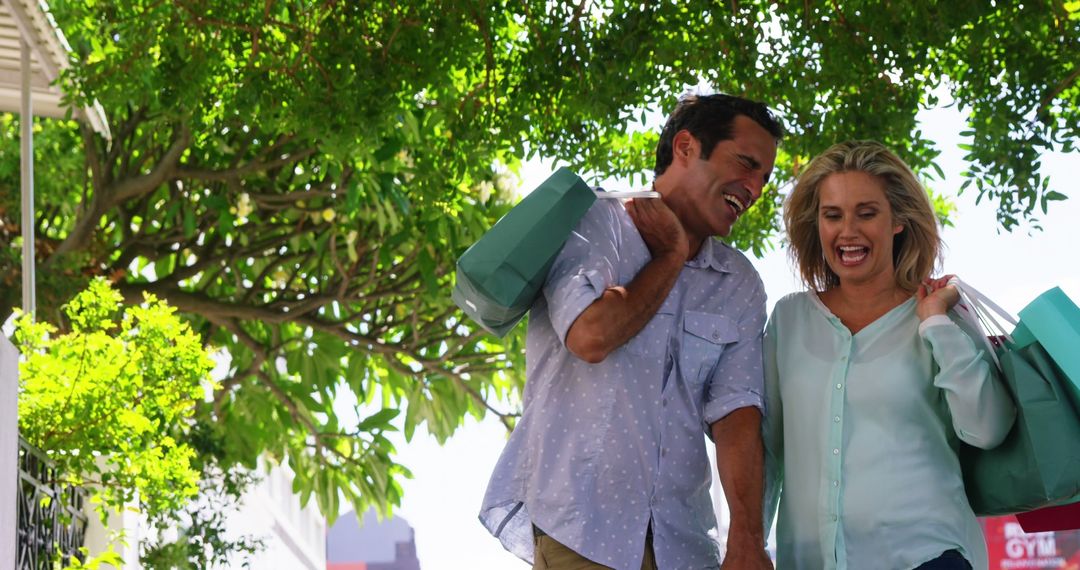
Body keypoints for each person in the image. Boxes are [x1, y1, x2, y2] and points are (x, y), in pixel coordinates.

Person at [478, 93, 783, 570]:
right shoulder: (595, 221)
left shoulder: (739, 283)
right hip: (582, 531)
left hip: (686, 546)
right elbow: (590, 336)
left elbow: (737, 415)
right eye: (745, 164)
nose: (755, 187)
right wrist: (670, 257)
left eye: (764, 177)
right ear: (685, 147)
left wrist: (746, 537)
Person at [762, 140, 1017, 569]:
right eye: (833, 215)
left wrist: (935, 323)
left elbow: (987, 428)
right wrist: (748, 543)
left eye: (866, 213)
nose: (848, 231)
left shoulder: (941, 313)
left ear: (897, 220)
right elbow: (766, 449)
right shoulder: (789, 319)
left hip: (927, 556)